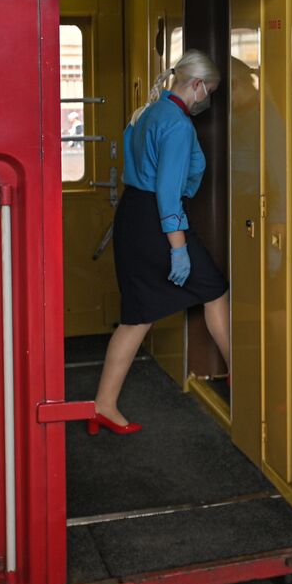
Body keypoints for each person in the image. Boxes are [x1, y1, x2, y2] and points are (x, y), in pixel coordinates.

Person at [91, 49, 231, 434]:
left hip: (132, 217)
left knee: (137, 317)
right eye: (210, 92)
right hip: (158, 222)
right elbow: (168, 194)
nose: (208, 99)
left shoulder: (148, 112)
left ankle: (103, 405)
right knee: (215, 290)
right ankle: (242, 378)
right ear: (197, 85)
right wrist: (179, 247)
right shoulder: (177, 125)